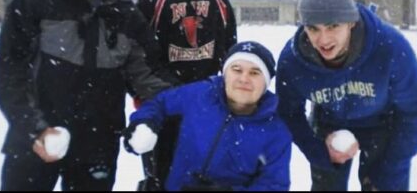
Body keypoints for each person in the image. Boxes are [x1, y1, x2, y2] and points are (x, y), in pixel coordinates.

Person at [0, 0, 171, 190]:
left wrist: (186, 104)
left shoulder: (128, 17)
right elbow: (10, 73)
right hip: (36, 139)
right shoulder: (36, 1)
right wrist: (34, 128)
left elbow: (148, 77)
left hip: (97, 145)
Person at [276, 0, 417, 191]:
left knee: (385, 184)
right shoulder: (293, 61)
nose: (323, 40)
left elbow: (416, 112)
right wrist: (318, 152)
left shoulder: (389, 48)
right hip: (329, 123)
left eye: (333, 26)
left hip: (383, 123)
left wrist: (392, 166)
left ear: (351, 22)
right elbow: (288, 112)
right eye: (313, 29)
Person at [135, 0, 237, 189]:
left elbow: (231, 50)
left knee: (209, 175)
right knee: (163, 175)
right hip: (167, 104)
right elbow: (140, 57)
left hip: (209, 103)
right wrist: (169, 92)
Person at [123, 41, 292, 191]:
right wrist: (144, 122)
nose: (244, 79)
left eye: (255, 73)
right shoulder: (199, 94)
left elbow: (273, 185)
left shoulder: (276, 131)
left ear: (266, 82)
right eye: (237, 69)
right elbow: (159, 103)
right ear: (225, 74)